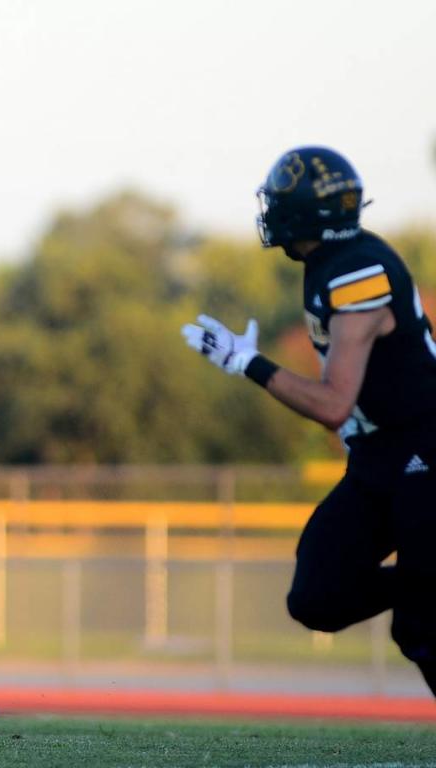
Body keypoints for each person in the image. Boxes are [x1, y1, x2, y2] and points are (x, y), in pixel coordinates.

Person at [182, 146, 436, 698]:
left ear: (306, 213)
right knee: (317, 596)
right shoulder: (328, 262)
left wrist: (245, 361)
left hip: (426, 451)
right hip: (380, 458)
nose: (270, 213)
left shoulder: (358, 272)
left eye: (280, 203)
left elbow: (332, 404)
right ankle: (423, 582)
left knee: (422, 628)